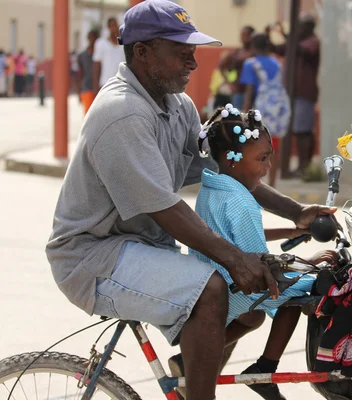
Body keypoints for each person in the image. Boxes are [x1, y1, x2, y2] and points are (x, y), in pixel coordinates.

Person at [45, 2, 334, 400]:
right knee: (211, 288)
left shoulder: (175, 104)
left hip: (139, 247)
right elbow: (165, 207)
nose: (194, 63)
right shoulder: (122, 113)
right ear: (143, 52)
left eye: (193, 53)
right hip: (92, 257)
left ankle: (190, 377)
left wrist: (297, 212)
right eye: (182, 53)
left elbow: (226, 170)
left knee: (244, 301)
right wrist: (236, 258)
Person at [192, 105, 335, 399]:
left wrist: (291, 230)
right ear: (232, 161)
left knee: (254, 318)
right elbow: (263, 267)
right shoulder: (242, 203)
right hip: (234, 287)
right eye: (262, 159)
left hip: (208, 280)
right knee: (301, 291)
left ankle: (190, 360)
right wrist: (308, 264)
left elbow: (233, 240)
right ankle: (265, 368)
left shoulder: (213, 189)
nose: (269, 167)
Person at [268, 15, 320, 176]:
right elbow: (277, 49)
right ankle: (300, 167)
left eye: (302, 27)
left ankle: (304, 166)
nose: (299, 30)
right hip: (291, 94)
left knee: (303, 130)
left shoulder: (312, 41)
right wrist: (269, 34)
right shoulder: (295, 42)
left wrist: (287, 35)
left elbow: (302, 50)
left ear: (310, 27)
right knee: (296, 130)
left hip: (304, 93)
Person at [240, 33, 290, 188]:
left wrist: (244, 114)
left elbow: (249, 91)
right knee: (273, 145)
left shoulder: (251, 64)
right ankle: (273, 184)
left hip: (262, 108)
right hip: (279, 108)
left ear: (253, 47)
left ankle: (255, 183)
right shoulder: (276, 62)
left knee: (254, 145)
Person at [218, 25, 255, 110]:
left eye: (246, 35)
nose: (243, 38)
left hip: (253, 92)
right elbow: (221, 66)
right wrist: (229, 83)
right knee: (238, 117)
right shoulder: (237, 52)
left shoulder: (255, 53)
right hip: (239, 91)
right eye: (242, 35)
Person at [93, 16, 125, 93]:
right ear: (108, 27)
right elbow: (96, 67)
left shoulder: (124, 44)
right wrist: (95, 87)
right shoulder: (100, 43)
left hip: (122, 84)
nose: (114, 28)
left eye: (115, 25)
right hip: (105, 84)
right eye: (112, 25)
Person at [77, 29, 100, 114]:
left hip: (99, 87)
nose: (92, 40)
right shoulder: (82, 55)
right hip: (87, 87)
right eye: (90, 38)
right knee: (88, 114)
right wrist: (78, 91)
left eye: (94, 38)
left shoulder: (100, 54)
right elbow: (80, 74)